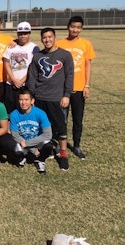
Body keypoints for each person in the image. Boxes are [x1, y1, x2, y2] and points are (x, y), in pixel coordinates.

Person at [27, 27, 74, 171]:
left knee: (60, 128)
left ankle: (64, 155)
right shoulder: (37, 56)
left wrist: (66, 95)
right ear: (42, 39)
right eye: (44, 38)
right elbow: (32, 78)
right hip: (40, 97)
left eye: (49, 37)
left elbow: (69, 76)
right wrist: (32, 96)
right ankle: (45, 150)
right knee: (40, 127)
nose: (47, 40)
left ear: (55, 37)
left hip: (56, 98)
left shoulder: (65, 55)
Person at [56, 16, 96, 159]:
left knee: (77, 119)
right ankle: (60, 144)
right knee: (62, 119)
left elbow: (88, 65)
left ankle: (77, 145)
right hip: (62, 89)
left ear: (82, 29)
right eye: (73, 26)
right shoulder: (59, 43)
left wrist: (87, 85)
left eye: (78, 27)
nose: (75, 30)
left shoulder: (86, 44)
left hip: (79, 88)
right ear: (68, 27)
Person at [10, 88, 53, 174]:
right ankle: (23, 157)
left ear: (32, 101)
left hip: (36, 141)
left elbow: (48, 134)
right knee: (11, 146)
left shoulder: (40, 113)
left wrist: (28, 144)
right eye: (21, 100)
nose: (23, 102)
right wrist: (32, 149)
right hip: (22, 142)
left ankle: (40, 160)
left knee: (48, 145)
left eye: (26, 100)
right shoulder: (14, 114)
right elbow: (15, 135)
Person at [2, 21, 40, 114]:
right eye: (20, 33)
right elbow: (6, 62)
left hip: (26, 85)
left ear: (29, 34)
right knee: (10, 111)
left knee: (24, 110)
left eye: (25, 33)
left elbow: (33, 67)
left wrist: (22, 80)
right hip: (11, 84)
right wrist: (13, 79)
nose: (23, 36)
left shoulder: (34, 48)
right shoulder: (11, 46)